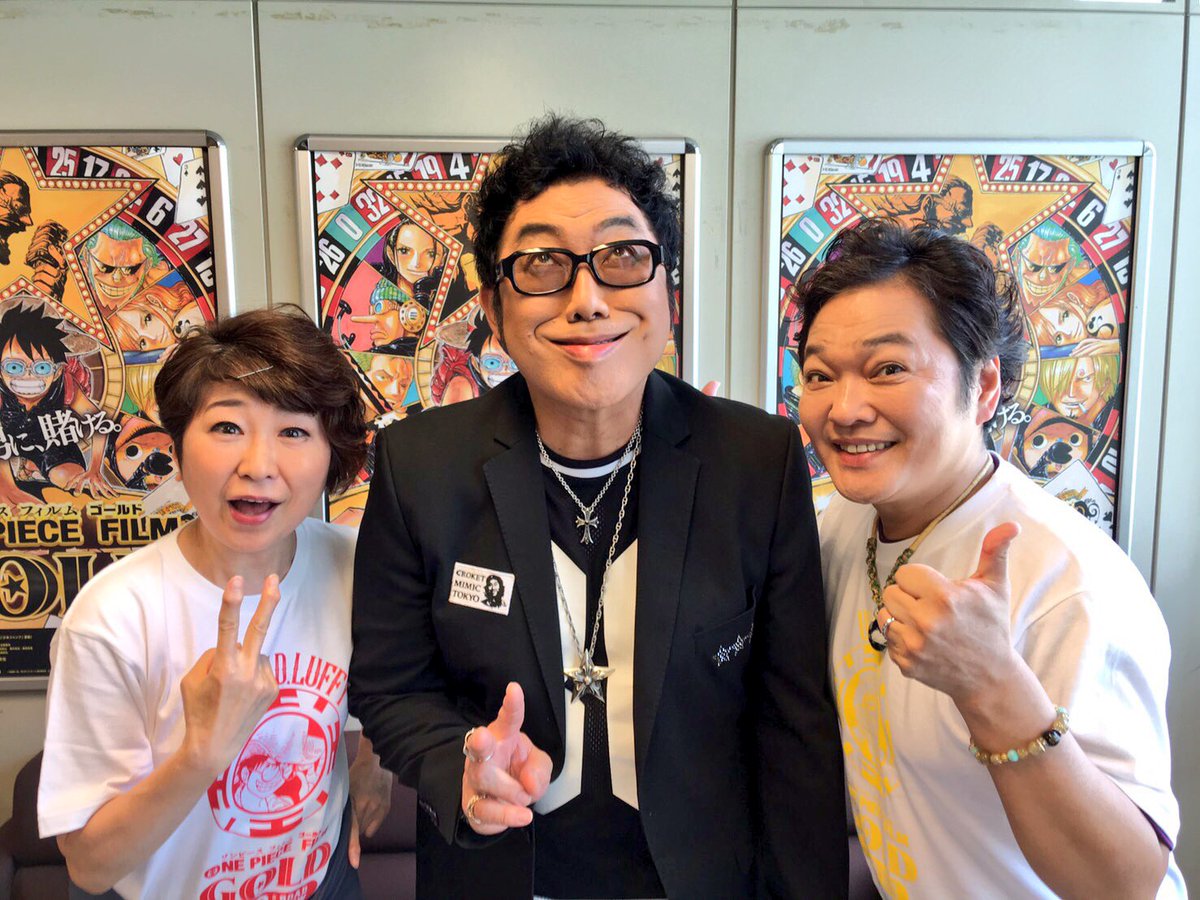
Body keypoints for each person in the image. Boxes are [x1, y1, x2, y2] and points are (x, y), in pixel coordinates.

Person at [350, 115, 846, 898]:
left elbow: (795, 726)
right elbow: (391, 686)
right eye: (542, 264)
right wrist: (460, 769)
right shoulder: (420, 466)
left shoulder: (756, 462)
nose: (586, 300)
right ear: (494, 308)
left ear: (665, 292)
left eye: (622, 258)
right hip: (496, 876)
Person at [795, 219, 1183, 898]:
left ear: (983, 388)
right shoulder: (842, 529)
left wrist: (991, 685)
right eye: (821, 375)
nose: (846, 409)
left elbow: (1125, 884)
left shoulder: (1067, 579)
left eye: (888, 369)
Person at [38, 307, 394, 899]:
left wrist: (374, 765)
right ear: (178, 451)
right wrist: (202, 754)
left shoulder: (359, 567)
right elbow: (90, 867)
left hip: (323, 884)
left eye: (294, 432)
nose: (258, 466)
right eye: (227, 427)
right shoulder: (112, 619)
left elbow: (399, 678)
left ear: (332, 457)